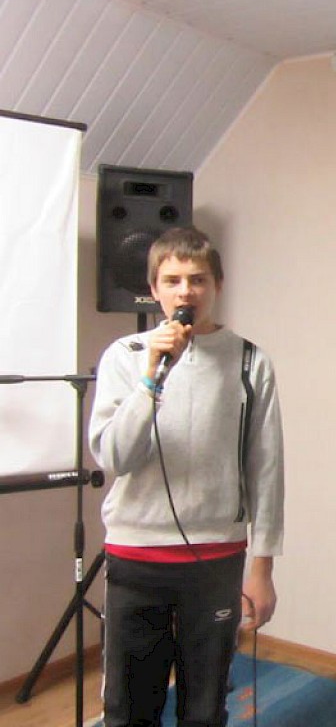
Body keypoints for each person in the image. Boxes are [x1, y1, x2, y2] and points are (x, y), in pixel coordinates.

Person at [89, 227, 285, 727]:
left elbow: (266, 468)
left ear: (217, 284)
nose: (185, 292)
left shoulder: (250, 361)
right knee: (129, 709)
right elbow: (115, 456)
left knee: (204, 707)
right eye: (172, 280)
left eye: (197, 279)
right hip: (136, 557)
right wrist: (151, 378)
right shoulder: (125, 356)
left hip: (216, 558)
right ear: (153, 289)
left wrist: (262, 569)